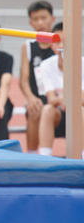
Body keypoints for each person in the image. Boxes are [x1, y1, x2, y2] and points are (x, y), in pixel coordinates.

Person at [38, 22, 84, 158]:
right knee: (47, 109)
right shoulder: (46, 65)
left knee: (81, 110)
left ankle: (82, 155)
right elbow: (50, 98)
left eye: (66, 42)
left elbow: (82, 99)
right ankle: (45, 157)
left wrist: (67, 100)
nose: (62, 46)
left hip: (78, 113)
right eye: (58, 42)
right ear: (52, 45)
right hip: (59, 113)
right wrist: (64, 100)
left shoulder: (82, 64)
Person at [19, 0, 55, 153]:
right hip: (39, 99)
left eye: (44, 17)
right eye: (36, 19)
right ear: (30, 22)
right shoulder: (28, 46)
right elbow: (24, 80)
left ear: (52, 19)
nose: (40, 22)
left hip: (58, 99)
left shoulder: (61, 44)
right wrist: (30, 98)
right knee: (34, 108)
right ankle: (32, 155)